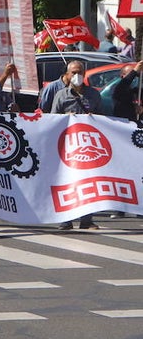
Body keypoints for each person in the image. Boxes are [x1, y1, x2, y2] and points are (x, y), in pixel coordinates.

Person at [50, 62, 103, 230]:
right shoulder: (61, 95)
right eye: (73, 72)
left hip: (87, 147)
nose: (77, 75)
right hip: (67, 147)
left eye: (79, 72)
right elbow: (52, 119)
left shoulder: (94, 95)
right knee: (67, 182)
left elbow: (104, 120)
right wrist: (66, 117)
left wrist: (93, 118)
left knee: (87, 182)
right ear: (68, 74)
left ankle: (86, 220)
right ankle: (66, 220)